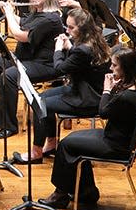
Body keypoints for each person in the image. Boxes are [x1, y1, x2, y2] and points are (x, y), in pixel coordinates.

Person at [38, 47, 136, 210]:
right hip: (120, 137)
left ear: (126, 68)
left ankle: (60, 195)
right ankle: (86, 192)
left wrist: (106, 89)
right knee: (73, 142)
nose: (110, 69)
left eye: (114, 66)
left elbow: (103, 112)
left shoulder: (128, 96)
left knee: (66, 145)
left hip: (116, 145)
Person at [13, 9, 110, 164]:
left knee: (40, 104)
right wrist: (69, 46)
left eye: (71, 28)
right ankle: (51, 143)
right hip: (84, 88)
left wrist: (58, 48)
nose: (67, 30)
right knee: (42, 98)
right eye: (67, 27)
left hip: (87, 98)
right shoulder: (93, 40)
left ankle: (36, 152)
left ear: (83, 28)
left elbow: (59, 69)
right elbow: (80, 63)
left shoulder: (83, 49)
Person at [0, 0, 62, 139]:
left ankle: (9, 125)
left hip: (44, 63)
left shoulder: (51, 18)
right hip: (25, 58)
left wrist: (8, 14)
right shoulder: (38, 11)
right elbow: (23, 22)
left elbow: (20, 35)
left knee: (9, 76)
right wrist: (11, 12)